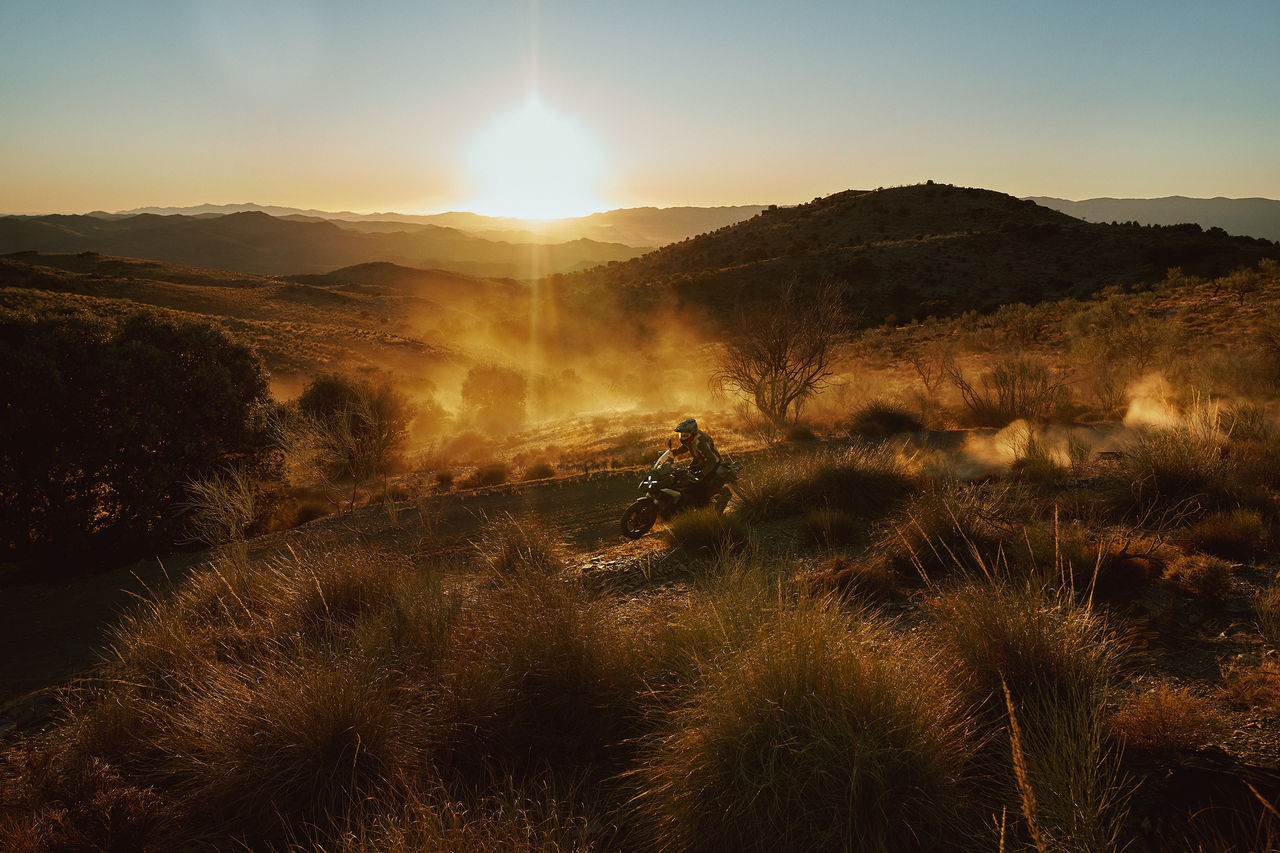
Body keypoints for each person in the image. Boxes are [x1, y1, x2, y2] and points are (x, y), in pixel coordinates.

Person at [671, 417, 723, 504]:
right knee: (685, 476)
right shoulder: (690, 438)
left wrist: (703, 472)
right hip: (700, 461)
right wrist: (673, 452)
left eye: (685, 435)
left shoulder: (700, 442)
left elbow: (712, 460)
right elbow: (685, 447)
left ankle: (705, 505)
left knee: (699, 484)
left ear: (692, 433)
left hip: (712, 463)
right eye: (681, 435)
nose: (683, 438)